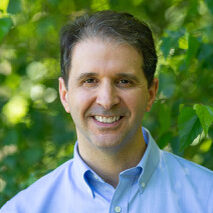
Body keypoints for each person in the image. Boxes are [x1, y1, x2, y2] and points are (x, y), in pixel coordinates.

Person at [1, 10, 213, 213]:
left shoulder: (207, 198)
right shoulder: (24, 209)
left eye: (124, 81)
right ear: (65, 94)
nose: (107, 100)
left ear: (151, 93)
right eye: (90, 81)